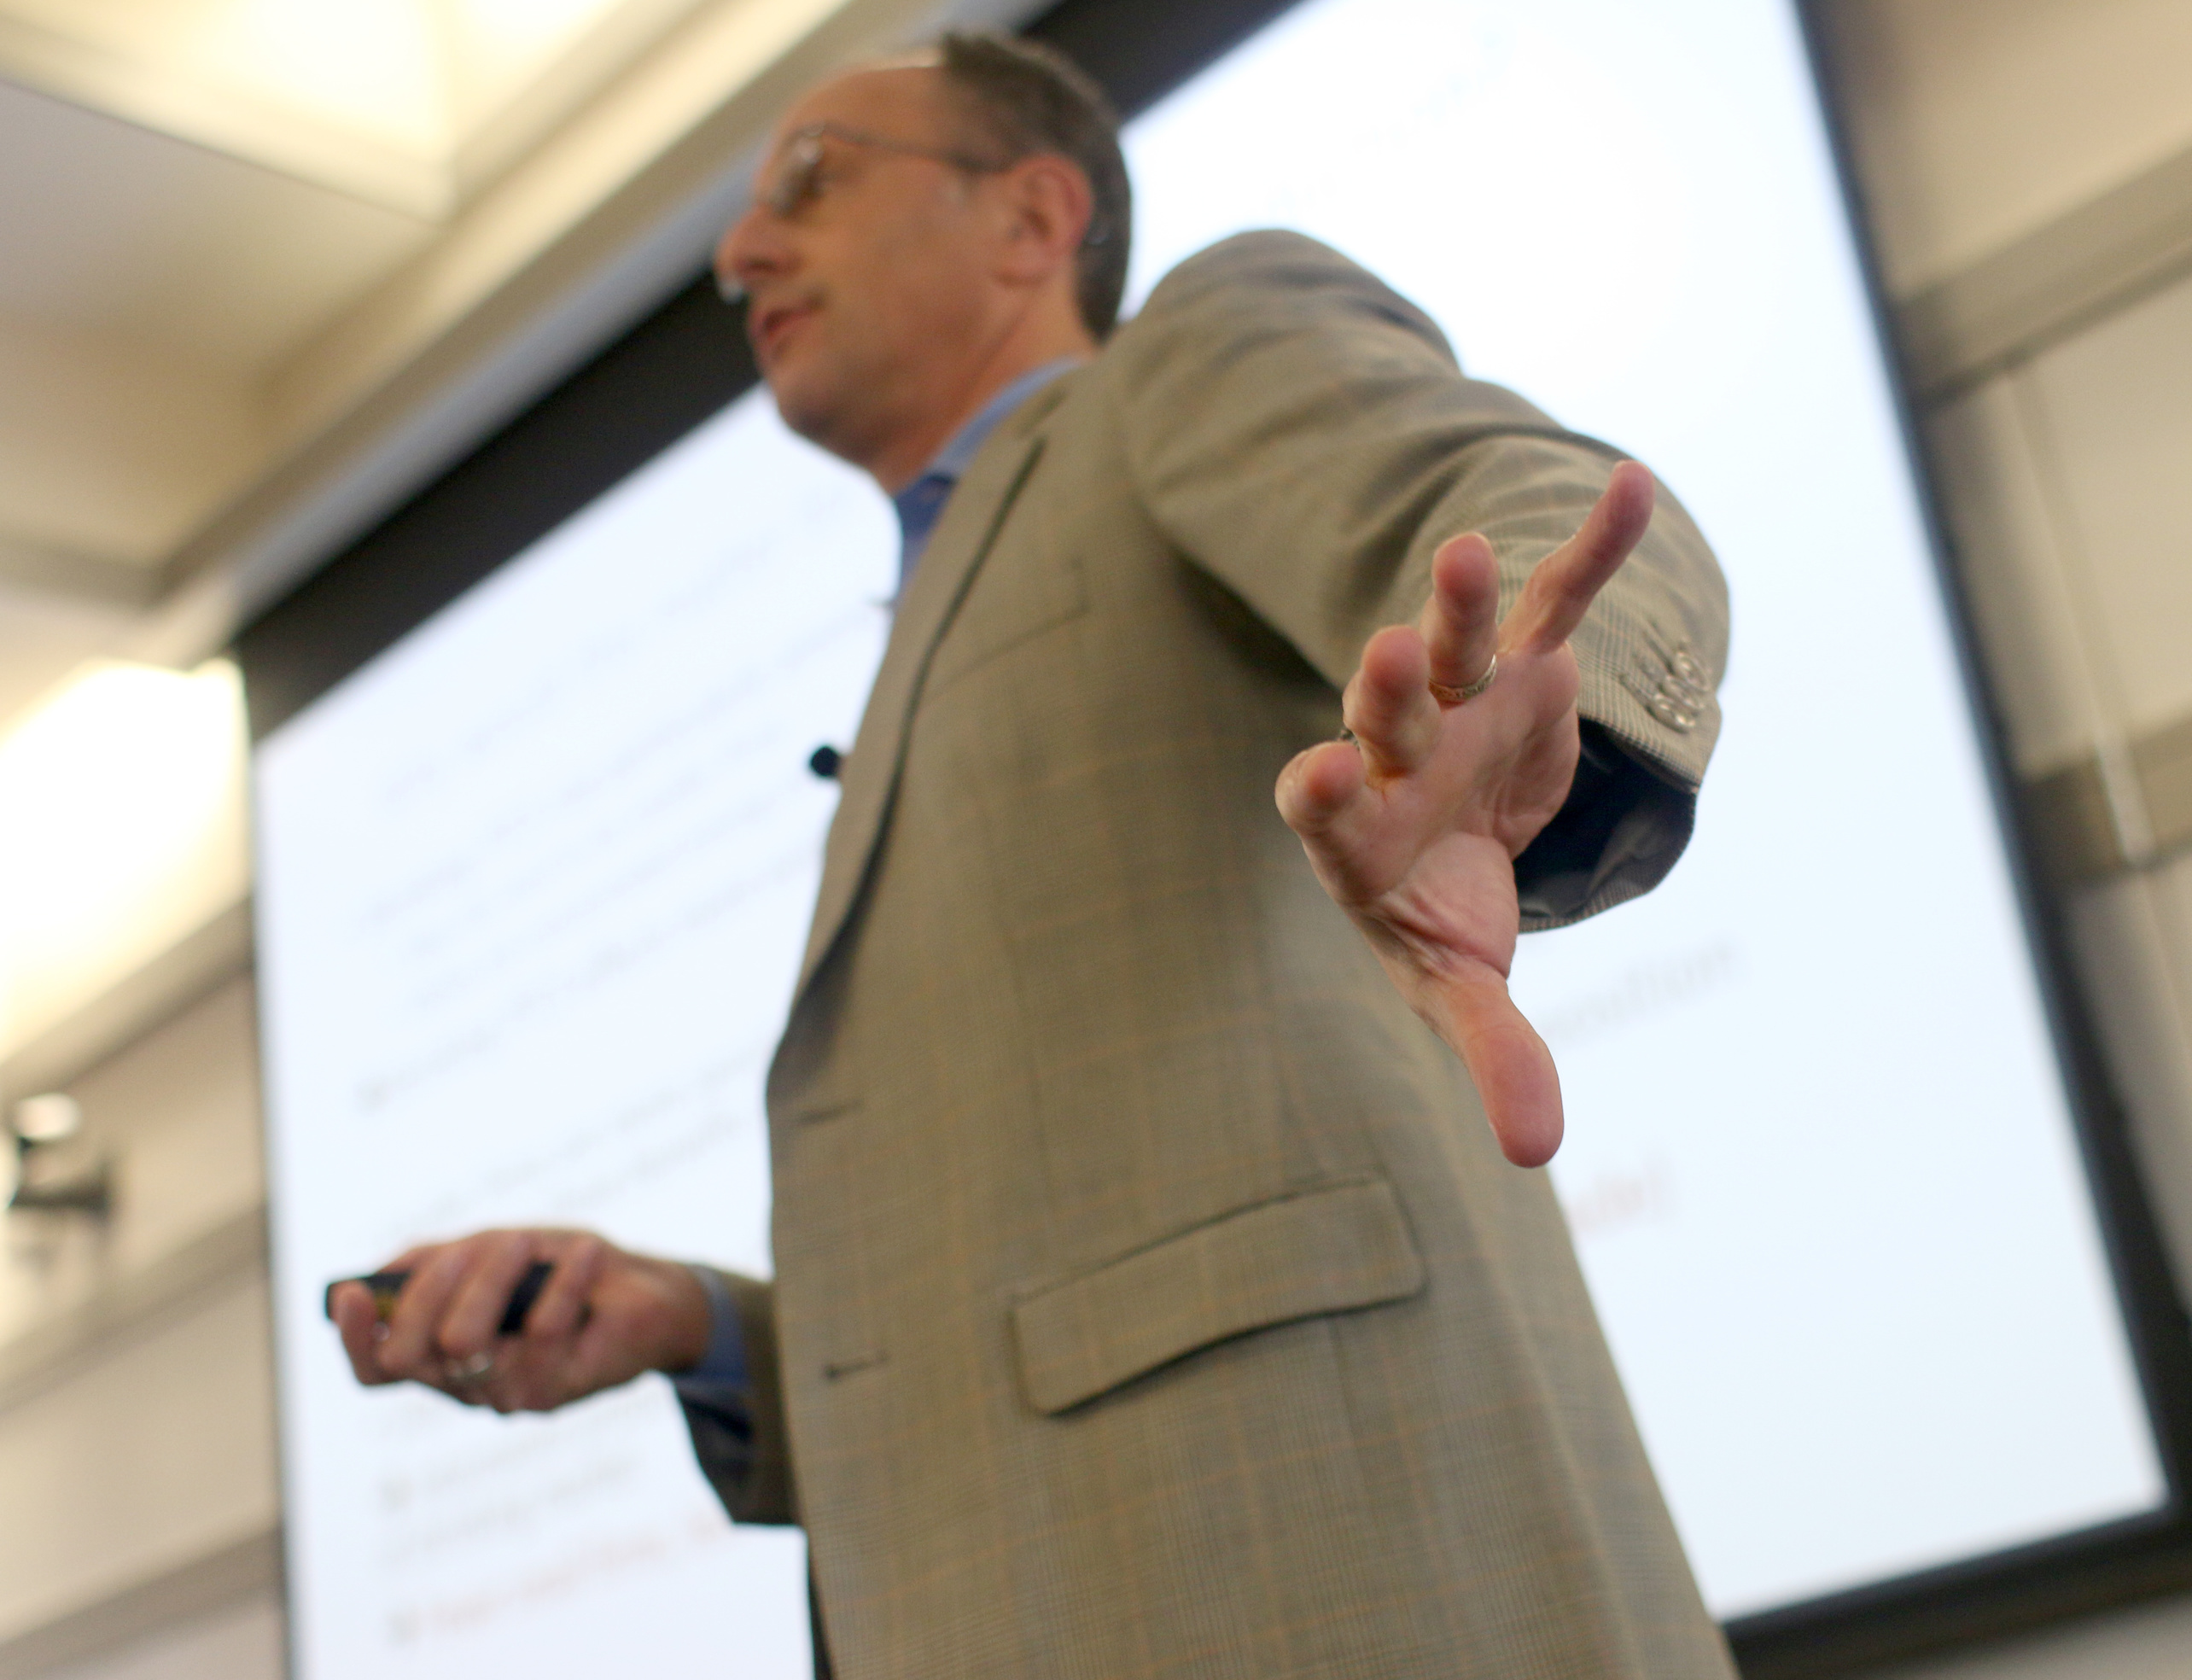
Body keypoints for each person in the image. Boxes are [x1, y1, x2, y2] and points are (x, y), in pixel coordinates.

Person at [329, 31, 1734, 1678]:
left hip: (1337, 1587)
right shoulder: (930, 601)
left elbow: (1526, 499)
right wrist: (695, 1326)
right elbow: (1042, 1308)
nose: (738, 252)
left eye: (813, 180)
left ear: (1030, 216)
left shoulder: (1181, 357)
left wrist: (1515, 701)